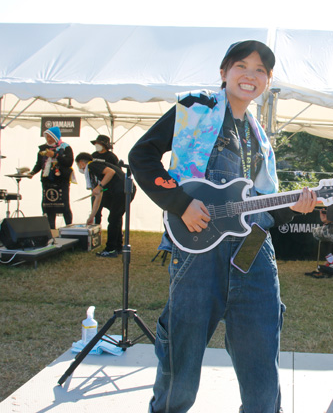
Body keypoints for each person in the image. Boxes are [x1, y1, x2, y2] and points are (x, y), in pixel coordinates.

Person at [128, 40, 317, 413]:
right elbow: (142, 155)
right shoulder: (196, 108)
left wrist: (294, 206)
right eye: (241, 66)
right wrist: (180, 203)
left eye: (260, 70)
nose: (250, 75)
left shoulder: (259, 136)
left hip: (254, 250)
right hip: (198, 249)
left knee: (261, 355)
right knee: (181, 358)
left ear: (268, 80)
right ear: (224, 72)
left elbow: (264, 206)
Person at [75, 152, 132, 258]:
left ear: (81, 163)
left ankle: (110, 249)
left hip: (122, 190)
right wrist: (92, 216)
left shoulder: (92, 165)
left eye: (78, 165)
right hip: (125, 190)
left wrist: (100, 186)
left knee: (113, 219)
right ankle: (118, 247)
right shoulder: (95, 172)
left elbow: (110, 172)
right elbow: (98, 197)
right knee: (116, 218)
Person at [27, 126, 73, 229]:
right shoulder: (43, 149)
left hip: (61, 181)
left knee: (64, 205)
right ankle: (51, 229)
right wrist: (32, 172)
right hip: (47, 180)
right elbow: (39, 164)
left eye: (51, 137)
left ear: (56, 137)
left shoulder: (65, 147)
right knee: (49, 206)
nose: (48, 139)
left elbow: (69, 162)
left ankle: (69, 228)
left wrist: (56, 155)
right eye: (47, 137)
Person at [90, 134, 120, 225]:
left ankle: (117, 230)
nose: (97, 145)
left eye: (99, 143)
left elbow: (117, 172)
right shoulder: (93, 155)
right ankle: (96, 229)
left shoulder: (111, 157)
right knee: (96, 212)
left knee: (114, 213)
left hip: (109, 189)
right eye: (96, 143)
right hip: (97, 187)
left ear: (105, 145)